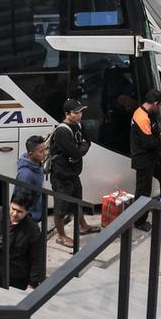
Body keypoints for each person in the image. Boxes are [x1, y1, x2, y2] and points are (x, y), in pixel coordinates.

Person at [49, 98, 99, 246]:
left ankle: (83, 226)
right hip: (61, 177)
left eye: (81, 112)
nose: (79, 115)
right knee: (61, 208)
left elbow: (85, 143)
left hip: (73, 174)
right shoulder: (62, 131)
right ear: (67, 114)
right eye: (75, 113)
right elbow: (76, 153)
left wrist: (83, 146)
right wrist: (84, 146)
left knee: (78, 202)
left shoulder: (77, 126)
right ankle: (61, 236)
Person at [0, 191, 45, 290]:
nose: (14, 214)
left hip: (17, 276)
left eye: (19, 211)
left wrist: (32, 283)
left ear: (28, 211)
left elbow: (36, 258)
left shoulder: (33, 230)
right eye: (13, 209)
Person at [129, 89, 161, 232]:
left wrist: (159, 134)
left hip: (152, 157)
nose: (159, 108)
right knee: (143, 192)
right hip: (143, 160)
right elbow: (149, 142)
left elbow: (152, 134)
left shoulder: (147, 114)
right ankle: (139, 221)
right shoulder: (141, 117)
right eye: (159, 105)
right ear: (155, 103)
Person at [15, 135, 48, 224]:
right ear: (30, 154)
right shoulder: (26, 176)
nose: (45, 153)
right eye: (41, 151)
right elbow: (20, 202)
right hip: (29, 220)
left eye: (46, 149)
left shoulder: (37, 164)